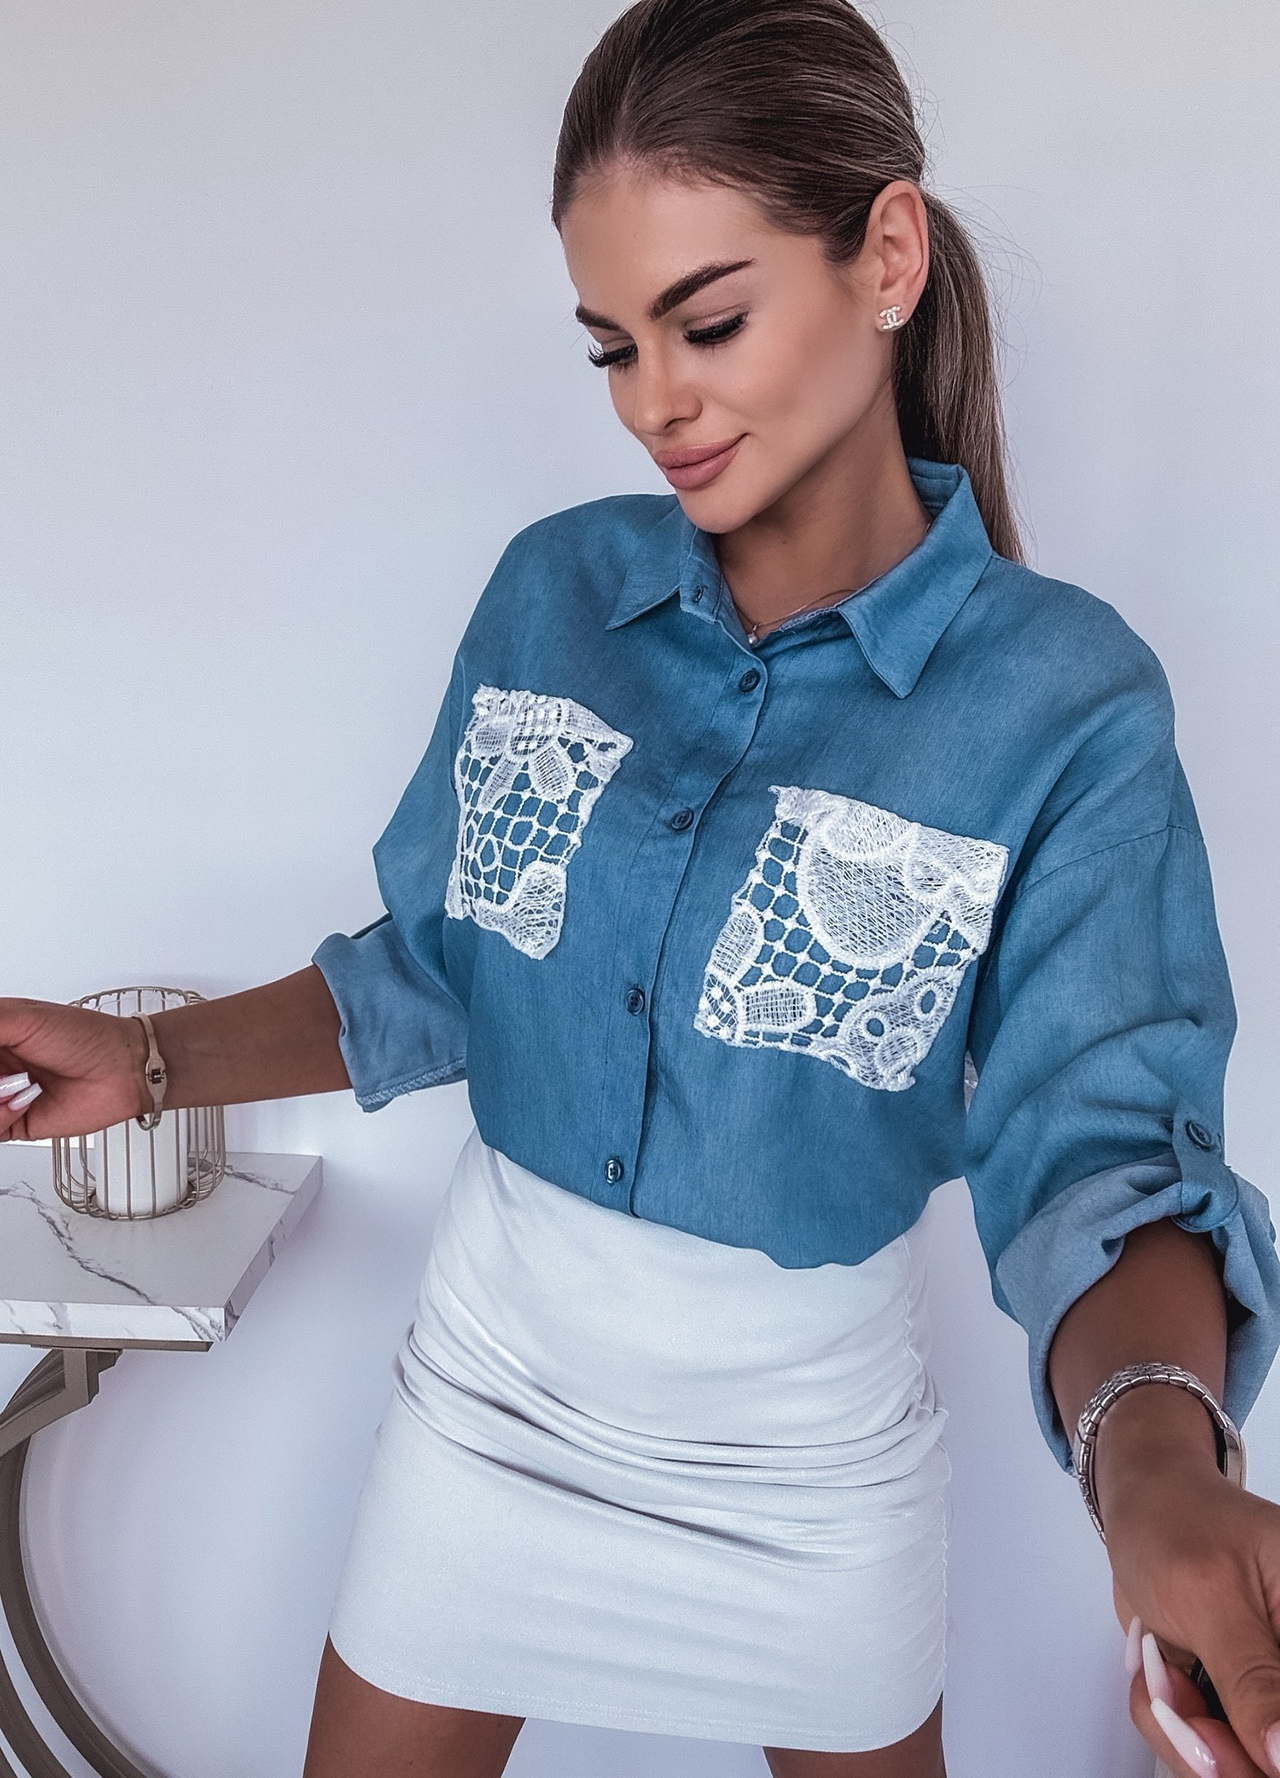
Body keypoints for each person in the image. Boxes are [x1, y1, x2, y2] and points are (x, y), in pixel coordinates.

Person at [3, 1, 1279, 1772]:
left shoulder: (1065, 707)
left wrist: (1156, 1468)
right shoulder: (552, 598)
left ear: (887, 256)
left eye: (710, 321)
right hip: (487, 1417)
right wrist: (144, 1062)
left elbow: (1104, 1158)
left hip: (809, 1478)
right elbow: (448, 964)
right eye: (611, 345)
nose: (654, 402)